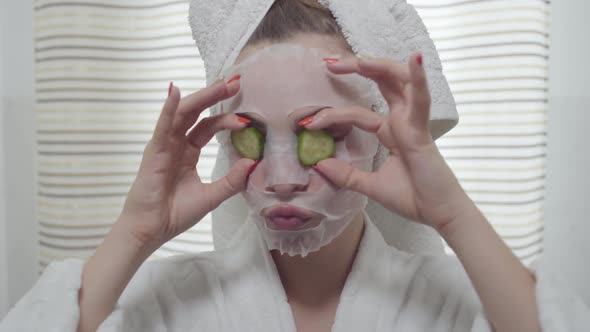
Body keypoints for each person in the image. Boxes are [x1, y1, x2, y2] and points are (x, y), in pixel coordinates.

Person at [0, 1, 586, 331]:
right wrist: (135, 232)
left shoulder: (453, 303)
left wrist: (454, 214)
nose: (282, 177)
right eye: (251, 134)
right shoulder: (165, 299)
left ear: (382, 139)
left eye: (324, 134)